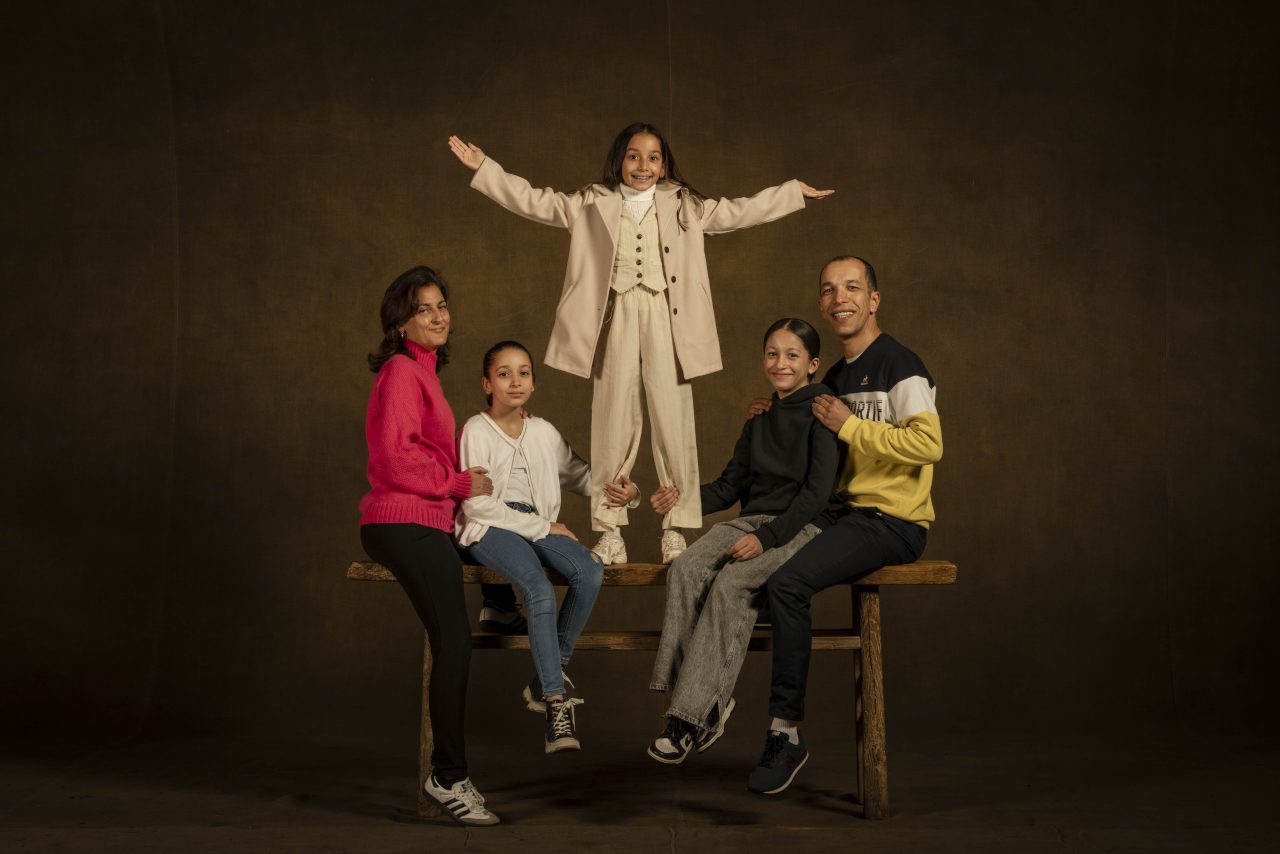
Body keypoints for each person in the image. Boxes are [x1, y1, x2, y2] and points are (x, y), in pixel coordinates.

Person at [448, 124, 833, 565]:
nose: (643, 165)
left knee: (674, 420)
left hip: (668, 319)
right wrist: (485, 167)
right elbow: (535, 200)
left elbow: (737, 211)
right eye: (634, 155)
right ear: (620, 160)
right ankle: (610, 530)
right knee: (612, 419)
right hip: (615, 317)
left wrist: (791, 193)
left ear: (664, 165)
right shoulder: (591, 201)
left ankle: (675, 528)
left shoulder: (684, 204)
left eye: (653, 157)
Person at [746, 256, 943, 795]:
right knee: (751, 569)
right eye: (830, 290)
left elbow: (929, 444)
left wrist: (851, 424)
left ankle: (785, 733)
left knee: (787, 584)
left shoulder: (900, 364)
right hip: (843, 515)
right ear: (821, 303)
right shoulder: (832, 377)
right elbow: (810, 447)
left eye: (852, 288)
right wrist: (773, 414)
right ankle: (710, 694)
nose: (840, 298)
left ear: (873, 299)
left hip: (892, 520)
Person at [645, 319, 842, 765]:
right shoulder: (759, 417)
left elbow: (816, 495)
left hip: (801, 525)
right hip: (752, 519)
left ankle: (688, 719)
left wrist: (766, 538)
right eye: (772, 353)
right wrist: (680, 501)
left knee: (731, 584)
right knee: (686, 568)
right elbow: (729, 486)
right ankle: (695, 703)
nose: (780, 363)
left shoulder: (824, 412)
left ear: (812, 364)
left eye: (792, 355)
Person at [357, 266, 500, 826]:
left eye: (442, 305)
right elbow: (395, 458)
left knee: (503, 548)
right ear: (401, 322)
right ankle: (448, 776)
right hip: (401, 520)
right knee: (454, 641)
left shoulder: (424, 374)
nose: (439, 316)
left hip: (427, 519)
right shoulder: (400, 372)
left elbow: (427, 450)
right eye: (424, 309)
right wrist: (457, 484)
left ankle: (507, 610)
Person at [455, 341, 639, 753]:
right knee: (538, 588)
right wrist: (542, 526)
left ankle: (543, 681)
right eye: (504, 373)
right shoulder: (475, 430)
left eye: (523, 373)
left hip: (537, 524)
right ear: (487, 384)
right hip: (491, 526)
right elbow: (478, 504)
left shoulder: (543, 431)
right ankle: (556, 702)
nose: (515, 381)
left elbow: (582, 477)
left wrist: (626, 491)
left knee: (589, 569)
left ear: (534, 383)